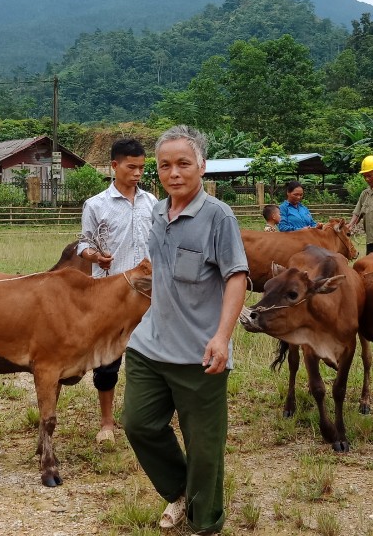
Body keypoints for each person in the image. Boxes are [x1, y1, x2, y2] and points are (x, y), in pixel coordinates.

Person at [121, 125, 249, 536]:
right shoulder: (158, 212)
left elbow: (236, 276)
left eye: (183, 164)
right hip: (149, 345)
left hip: (199, 354)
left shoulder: (218, 216)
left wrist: (222, 337)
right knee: (138, 424)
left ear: (202, 166)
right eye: (164, 165)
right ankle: (179, 490)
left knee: (205, 448)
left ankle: (204, 523)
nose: (173, 173)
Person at [75, 138, 157, 443]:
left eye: (141, 168)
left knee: (150, 355)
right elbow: (84, 243)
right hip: (110, 292)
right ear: (114, 166)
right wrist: (94, 256)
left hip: (148, 293)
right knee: (108, 360)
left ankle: (147, 417)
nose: (137, 173)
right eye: (131, 167)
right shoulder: (96, 204)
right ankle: (107, 422)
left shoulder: (152, 203)